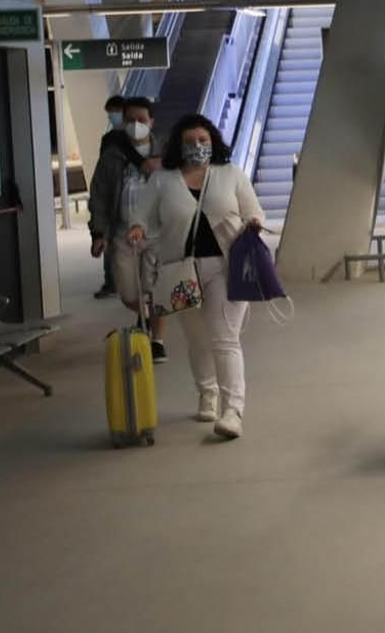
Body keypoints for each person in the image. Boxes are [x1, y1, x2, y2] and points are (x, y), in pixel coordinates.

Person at [128, 114, 263, 439]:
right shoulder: (162, 180)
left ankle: (233, 411)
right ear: (178, 146)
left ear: (213, 142)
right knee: (197, 338)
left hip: (227, 267)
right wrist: (138, 227)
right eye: (190, 142)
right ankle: (208, 392)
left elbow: (253, 209)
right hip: (179, 270)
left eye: (203, 141)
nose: (197, 147)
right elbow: (140, 214)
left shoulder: (230, 175)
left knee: (224, 337)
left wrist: (254, 223)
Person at [90, 97, 168, 361]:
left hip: (158, 233)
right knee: (127, 292)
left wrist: (165, 165)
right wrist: (98, 233)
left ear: (152, 122)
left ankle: (156, 340)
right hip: (123, 233)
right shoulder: (112, 156)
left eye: (142, 120)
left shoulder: (167, 152)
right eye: (131, 120)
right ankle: (145, 315)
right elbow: (99, 196)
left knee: (156, 288)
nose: (136, 125)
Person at [91, 95, 129, 298]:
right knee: (110, 241)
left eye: (115, 112)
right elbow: (102, 173)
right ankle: (111, 282)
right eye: (110, 113)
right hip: (113, 193)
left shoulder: (135, 138)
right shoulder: (108, 140)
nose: (112, 116)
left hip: (129, 197)